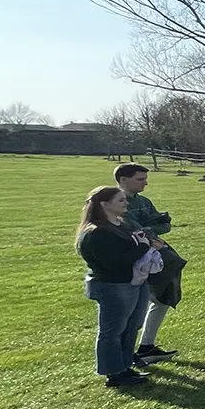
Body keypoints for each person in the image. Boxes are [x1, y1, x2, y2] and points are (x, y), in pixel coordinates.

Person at [76, 186, 163, 388]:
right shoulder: (97, 232)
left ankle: (125, 365)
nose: (126, 203)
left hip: (133, 282)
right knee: (112, 330)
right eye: (120, 201)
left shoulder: (119, 224)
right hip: (113, 286)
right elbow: (114, 262)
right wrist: (143, 247)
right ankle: (114, 373)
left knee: (131, 326)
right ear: (104, 204)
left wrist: (147, 244)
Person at [114, 163, 182, 366]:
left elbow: (165, 225)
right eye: (140, 179)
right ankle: (122, 359)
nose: (145, 183)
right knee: (133, 309)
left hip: (152, 257)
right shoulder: (115, 201)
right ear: (123, 180)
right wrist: (148, 228)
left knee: (162, 299)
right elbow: (131, 227)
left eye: (145, 178)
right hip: (131, 259)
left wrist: (148, 227)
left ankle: (146, 347)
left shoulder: (144, 201)